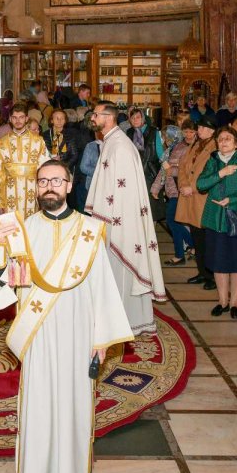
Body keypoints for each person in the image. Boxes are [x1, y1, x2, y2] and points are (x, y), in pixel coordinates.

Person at [0, 160, 133, 473]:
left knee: (74, 408)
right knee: (39, 407)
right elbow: (2, 293)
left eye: (56, 180)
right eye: (43, 181)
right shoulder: (22, 230)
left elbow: (103, 287)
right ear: (36, 188)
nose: (49, 186)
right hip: (39, 336)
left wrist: (101, 340)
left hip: (79, 333)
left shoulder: (90, 230)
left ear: (68, 185)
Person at [85, 101, 167, 333]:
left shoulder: (119, 146)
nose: (93, 118)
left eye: (96, 115)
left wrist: (109, 220)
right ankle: (120, 319)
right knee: (114, 272)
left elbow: (122, 191)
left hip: (119, 221)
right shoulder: (112, 141)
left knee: (121, 270)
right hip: (113, 218)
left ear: (108, 117)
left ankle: (126, 322)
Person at [197, 127, 237, 320]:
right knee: (219, 262)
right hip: (215, 219)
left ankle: (235, 303)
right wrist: (220, 173)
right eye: (220, 139)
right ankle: (222, 301)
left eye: (228, 139)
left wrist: (232, 200)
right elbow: (201, 184)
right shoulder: (213, 161)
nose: (223, 142)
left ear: (236, 143)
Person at [176, 120, 218, 288]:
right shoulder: (196, 144)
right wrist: (183, 185)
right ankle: (202, 272)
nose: (198, 130)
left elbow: (212, 174)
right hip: (190, 196)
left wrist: (191, 188)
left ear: (212, 130)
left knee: (207, 240)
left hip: (202, 197)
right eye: (198, 127)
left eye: (202, 128)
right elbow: (183, 165)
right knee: (197, 238)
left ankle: (212, 276)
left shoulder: (214, 147)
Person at [0, 104, 48, 219]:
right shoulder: (2, 143)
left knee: (31, 230)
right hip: (9, 193)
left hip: (33, 192)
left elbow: (45, 170)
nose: (18, 121)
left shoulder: (38, 142)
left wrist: (44, 196)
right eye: (15, 117)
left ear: (26, 118)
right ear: (10, 119)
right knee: (11, 231)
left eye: (21, 117)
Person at [152, 119, 196, 265]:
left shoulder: (184, 148)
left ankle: (193, 245)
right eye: (186, 132)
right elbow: (164, 171)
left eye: (166, 137)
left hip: (180, 191)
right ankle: (180, 254)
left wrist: (173, 171)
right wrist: (156, 188)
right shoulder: (172, 149)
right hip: (172, 191)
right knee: (174, 223)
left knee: (172, 221)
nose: (164, 140)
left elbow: (188, 170)